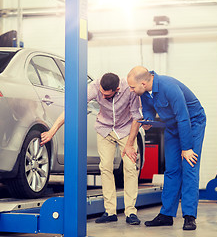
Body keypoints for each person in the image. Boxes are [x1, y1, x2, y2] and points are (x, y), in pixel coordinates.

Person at [40, 73, 142, 225]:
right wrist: (52, 131)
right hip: (104, 129)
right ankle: (110, 211)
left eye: (106, 95)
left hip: (125, 130)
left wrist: (130, 144)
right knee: (105, 167)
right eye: (101, 93)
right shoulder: (94, 87)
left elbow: (136, 117)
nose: (102, 96)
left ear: (117, 89)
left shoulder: (129, 89)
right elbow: (72, 108)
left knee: (130, 167)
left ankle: (131, 212)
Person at [127, 66, 206, 231]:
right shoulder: (145, 92)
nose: (131, 90)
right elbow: (148, 109)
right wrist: (148, 121)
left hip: (192, 123)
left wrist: (187, 147)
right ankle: (166, 215)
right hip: (172, 125)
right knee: (171, 169)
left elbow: (184, 117)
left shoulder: (169, 87)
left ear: (143, 82)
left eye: (132, 87)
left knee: (189, 167)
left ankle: (189, 216)